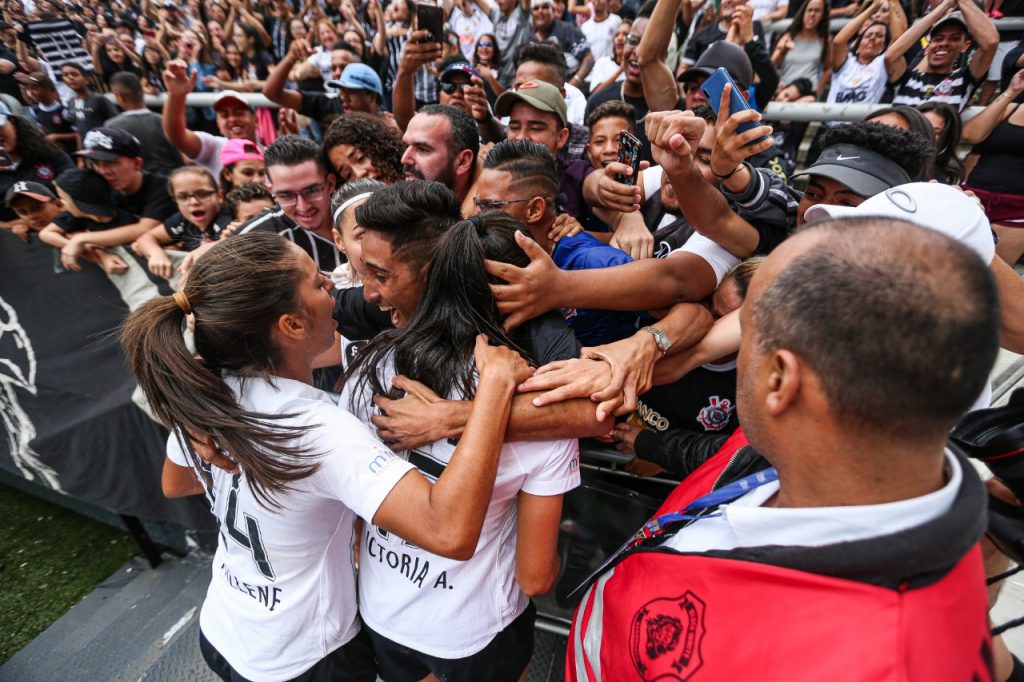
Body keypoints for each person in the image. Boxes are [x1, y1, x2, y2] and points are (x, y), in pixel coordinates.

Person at [566, 218, 1000, 681]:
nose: (726, 348)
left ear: (780, 381)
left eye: (743, 335)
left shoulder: (873, 663)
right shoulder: (806, 441)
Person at [122, 230, 531, 682]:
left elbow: (175, 483)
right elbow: (449, 531)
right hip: (304, 657)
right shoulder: (320, 431)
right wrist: (494, 388)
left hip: (227, 625)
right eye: (317, 283)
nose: (334, 286)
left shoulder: (207, 394)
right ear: (292, 325)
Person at [342, 207, 580, 682]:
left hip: (381, 605)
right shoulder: (540, 408)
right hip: (475, 630)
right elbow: (535, 577)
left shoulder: (371, 366)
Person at [237, 135, 342, 272]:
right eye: (286, 195)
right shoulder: (257, 238)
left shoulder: (360, 214)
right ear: (271, 192)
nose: (303, 206)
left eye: (311, 191)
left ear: (331, 183)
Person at [885, 0, 999, 111]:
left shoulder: (962, 82)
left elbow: (991, 43)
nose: (944, 43)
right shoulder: (907, 78)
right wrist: (945, 5)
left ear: (965, 45)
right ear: (928, 45)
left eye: (954, 38)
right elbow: (890, 56)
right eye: (938, 39)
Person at [962, 67, 1024, 265]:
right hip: (974, 196)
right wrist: (1012, 91)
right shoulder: (1010, 107)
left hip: (1018, 209)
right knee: (952, 269)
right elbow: (971, 134)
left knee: (994, 278)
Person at [163, 62, 262, 179]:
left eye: (239, 113)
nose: (232, 119)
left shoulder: (271, 154)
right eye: (225, 115)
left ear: (255, 120)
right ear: (218, 124)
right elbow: (177, 136)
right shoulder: (214, 147)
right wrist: (176, 96)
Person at [132, 167, 232, 283]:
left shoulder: (225, 218)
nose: (194, 202)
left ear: (219, 196)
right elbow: (145, 238)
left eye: (203, 194)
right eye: (183, 197)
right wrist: (156, 253)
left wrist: (207, 248)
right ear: (175, 201)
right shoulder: (182, 220)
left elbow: (234, 243)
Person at [38, 168, 134, 274]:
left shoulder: (126, 216)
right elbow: (45, 234)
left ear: (80, 203)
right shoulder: (74, 217)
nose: (61, 204)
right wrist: (74, 245)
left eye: (63, 199)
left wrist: (80, 240)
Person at [0, 102, 75, 238]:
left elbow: (78, 197)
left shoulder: (48, 154)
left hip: (70, 233)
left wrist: (52, 222)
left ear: (12, 122)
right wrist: (16, 224)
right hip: (24, 251)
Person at [401, 104, 480, 210]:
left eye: (422, 149)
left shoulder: (489, 223)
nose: (405, 159)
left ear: (463, 161)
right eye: (406, 146)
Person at [105, 71, 184, 176]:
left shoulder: (112, 127)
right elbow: (180, 157)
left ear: (119, 96)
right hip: (173, 180)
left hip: (142, 185)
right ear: (142, 92)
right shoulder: (165, 121)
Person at [322, 112, 404, 184]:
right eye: (348, 174)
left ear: (380, 145)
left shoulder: (413, 174)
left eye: (360, 158)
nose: (359, 174)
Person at [532, 0, 595, 87]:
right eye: (536, 8)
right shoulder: (528, 35)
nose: (540, 11)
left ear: (553, 11)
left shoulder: (566, 29)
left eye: (545, 7)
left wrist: (575, 81)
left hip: (568, 88)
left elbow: (589, 58)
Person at [770, 0, 830, 92]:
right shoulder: (788, 36)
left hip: (808, 94)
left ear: (823, 15)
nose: (812, 14)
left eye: (817, 11)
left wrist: (817, 92)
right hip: (784, 91)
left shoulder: (825, 40)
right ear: (803, 12)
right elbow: (772, 65)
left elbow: (827, 69)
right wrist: (783, 50)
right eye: (809, 10)